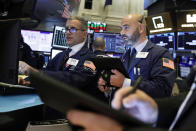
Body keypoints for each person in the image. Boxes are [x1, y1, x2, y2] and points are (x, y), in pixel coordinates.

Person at [67, 71, 196, 131]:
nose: (121, 32)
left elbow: (163, 88)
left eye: (126, 27)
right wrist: (157, 110)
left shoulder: (159, 53)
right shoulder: (129, 53)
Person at [98, 14, 176, 98]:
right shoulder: (125, 55)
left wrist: (125, 83)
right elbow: (121, 86)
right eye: (121, 29)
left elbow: (163, 90)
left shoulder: (161, 54)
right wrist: (109, 89)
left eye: (126, 27)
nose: (121, 33)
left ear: (141, 28)